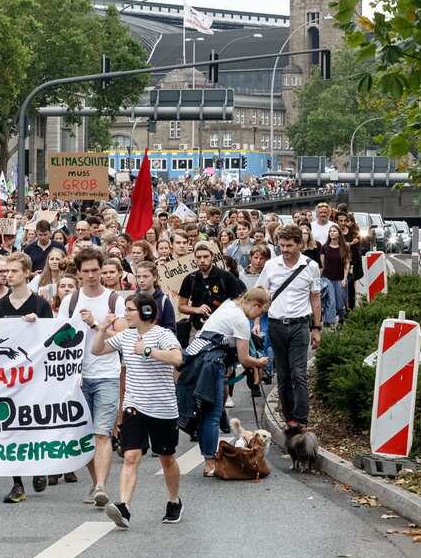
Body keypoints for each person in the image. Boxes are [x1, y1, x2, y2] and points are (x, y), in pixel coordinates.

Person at [93, 291, 185, 529]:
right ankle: (124, 507)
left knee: (166, 458)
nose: (125, 314)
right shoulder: (125, 336)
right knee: (131, 456)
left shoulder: (163, 334)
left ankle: (174, 500)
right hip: (135, 406)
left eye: (129, 310)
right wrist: (102, 329)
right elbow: (97, 350)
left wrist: (148, 351)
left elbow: (177, 358)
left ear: (146, 312)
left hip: (163, 408)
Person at [58, 247, 125, 508]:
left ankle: (100, 486)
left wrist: (96, 325)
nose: (92, 275)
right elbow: (59, 336)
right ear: (78, 273)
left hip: (107, 373)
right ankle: (96, 481)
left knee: (102, 433)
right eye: (86, 271)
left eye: (95, 270)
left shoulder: (114, 300)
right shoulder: (70, 301)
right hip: (77, 377)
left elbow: (121, 334)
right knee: (84, 435)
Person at [179, 290, 271, 476]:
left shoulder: (229, 304)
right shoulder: (240, 320)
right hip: (211, 364)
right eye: (260, 313)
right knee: (212, 415)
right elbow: (245, 359)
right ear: (255, 305)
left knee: (206, 413)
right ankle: (211, 463)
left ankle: (208, 461)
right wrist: (259, 363)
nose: (258, 317)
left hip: (196, 359)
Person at [0, 252, 54, 503]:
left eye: (14, 271)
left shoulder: (40, 305)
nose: (8, 275)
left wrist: (37, 323)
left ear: (27, 273)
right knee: (12, 427)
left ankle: (39, 468)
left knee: (35, 425)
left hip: (36, 376)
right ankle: (17, 483)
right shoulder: (0, 306)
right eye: (6, 271)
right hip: (11, 378)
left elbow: (52, 340)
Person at [255, 225, 322, 435]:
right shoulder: (271, 266)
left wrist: (316, 328)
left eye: (289, 245)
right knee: (283, 375)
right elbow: (260, 295)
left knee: (299, 374)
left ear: (299, 245)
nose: (285, 249)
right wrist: (257, 322)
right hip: (276, 325)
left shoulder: (310, 266)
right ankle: (289, 419)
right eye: (282, 245)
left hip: (300, 325)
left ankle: (301, 419)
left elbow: (315, 298)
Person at [320, 225, 350, 328]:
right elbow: (322, 265)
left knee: (339, 304)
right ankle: (329, 323)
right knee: (331, 301)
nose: (332, 233)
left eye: (334, 231)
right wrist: (320, 279)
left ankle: (341, 318)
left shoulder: (344, 247)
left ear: (339, 233)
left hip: (339, 278)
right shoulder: (324, 247)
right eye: (330, 231)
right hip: (327, 277)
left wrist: (345, 278)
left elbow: (346, 264)